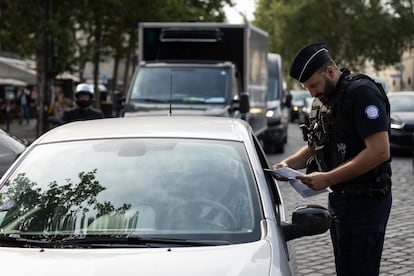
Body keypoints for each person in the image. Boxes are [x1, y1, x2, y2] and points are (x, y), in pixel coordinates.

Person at [272, 42, 392, 276]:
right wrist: (286, 165)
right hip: (340, 199)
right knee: (346, 268)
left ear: (329, 71)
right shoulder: (324, 101)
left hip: (366, 201)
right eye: (306, 88)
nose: (312, 93)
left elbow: (380, 151)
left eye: (313, 85)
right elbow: (315, 147)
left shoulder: (361, 93)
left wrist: (327, 177)